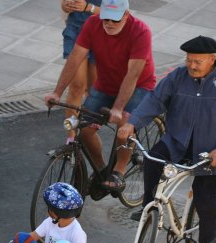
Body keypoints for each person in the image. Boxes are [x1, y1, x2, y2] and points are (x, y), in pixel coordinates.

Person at [118, 35, 216, 243]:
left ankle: (208, 237)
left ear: (212, 59)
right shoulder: (177, 76)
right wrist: (132, 123)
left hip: (211, 150)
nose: (191, 66)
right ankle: (149, 207)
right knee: (153, 158)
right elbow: (155, 100)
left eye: (197, 61)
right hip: (178, 142)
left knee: (203, 196)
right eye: (189, 60)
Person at [45, 0, 156, 192]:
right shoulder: (93, 23)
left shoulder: (141, 31)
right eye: (106, 18)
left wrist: (119, 108)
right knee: (85, 129)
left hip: (139, 85)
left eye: (114, 19)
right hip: (106, 84)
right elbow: (75, 58)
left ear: (126, 15)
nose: (109, 23)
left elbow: (133, 75)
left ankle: (119, 171)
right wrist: (57, 91)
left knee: (124, 126)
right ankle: (102, 170)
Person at [60, 0, 100, 144]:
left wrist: (89, 7)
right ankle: (72, 136)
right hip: (76, 30)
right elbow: (65, 4)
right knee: (76, 86)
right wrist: (65, 6)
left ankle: (88, 127)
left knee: (93, 89)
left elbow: (120, 13)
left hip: (101, 31)